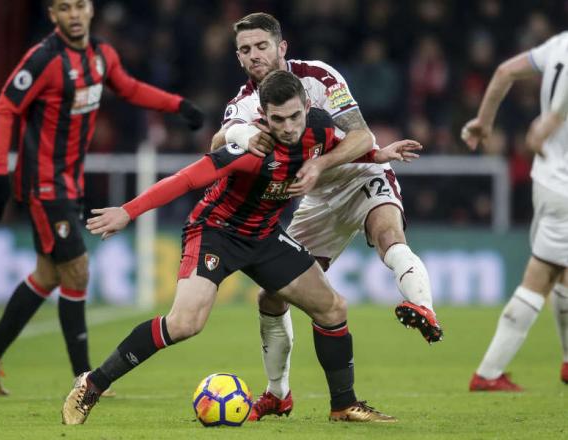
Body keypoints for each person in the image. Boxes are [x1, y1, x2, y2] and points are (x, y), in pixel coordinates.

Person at [61, 71, 422, 425]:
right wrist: (128, 211)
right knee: (185, 323)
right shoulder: (252, 147)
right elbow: (187, 178)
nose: (289, 127)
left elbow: (339, 148)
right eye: (278, 119)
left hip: (264, 236)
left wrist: (379, 155)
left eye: (295, 116)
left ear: (306, 106)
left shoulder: (319, 127)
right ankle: (92, 384)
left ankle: (344, 405)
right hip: (216, 232)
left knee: (332, 308)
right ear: (263, 116)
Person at [0, 0, 204, 396]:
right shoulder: (43, 59)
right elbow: (5, 109)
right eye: (64, 8)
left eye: (79, 6)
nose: (73, 14)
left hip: (68, 183)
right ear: (52, 15)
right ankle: (84, 377)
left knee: (48, 275)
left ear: (91, 10)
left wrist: (177, 105)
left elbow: (129, 89)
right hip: (44, 184)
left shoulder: (101, 55)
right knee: (77, 270)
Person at [209, 12, 442, 420]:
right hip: (316, 201)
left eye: (262, 46)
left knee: (388, 235)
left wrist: (320, 164)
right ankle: (278, 393)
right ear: (239, 58)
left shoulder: (319, 77)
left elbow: (362, 136)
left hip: (360, 174)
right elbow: (216, 144)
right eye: (245, 50)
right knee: (272, 296)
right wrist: (242, 135)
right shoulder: (244, 105)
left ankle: (423, 307)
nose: (254, 56)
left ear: (281, 47)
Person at [461, 31, 568, 391]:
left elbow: (505, 71)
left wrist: (483, 122)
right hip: (566, 184)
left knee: (561, 272)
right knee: (541, 275)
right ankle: (488, 373)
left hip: (549, 178)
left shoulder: (560, 44)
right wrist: (552, 120)